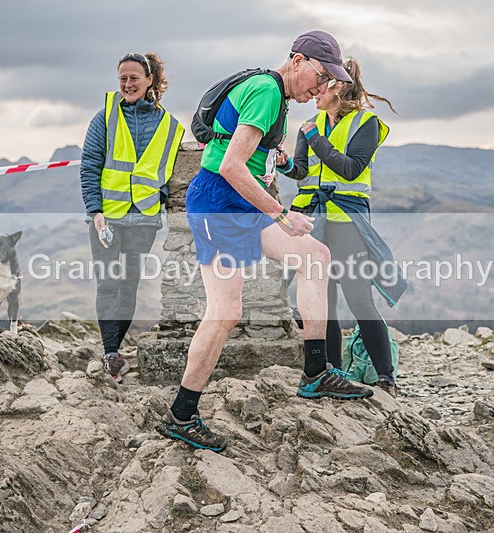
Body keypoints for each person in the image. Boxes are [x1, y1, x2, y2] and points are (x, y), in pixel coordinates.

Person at [157, 31, 374, 453]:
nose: (323, 85)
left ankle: (315, 372)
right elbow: (233, 165)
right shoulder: (266, 90)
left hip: (241, 201)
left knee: (315, 255)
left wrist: (277, 163)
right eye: (320, 74)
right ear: (297, 60)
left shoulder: (275, 94)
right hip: (220, 200)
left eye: (330, 79)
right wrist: (281, 214)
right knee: (225, 312)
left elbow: (247, 156)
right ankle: (182, 414)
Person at [276, 57, 400, 395]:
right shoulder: (310, 124)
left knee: (359, 298)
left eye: (323, 83)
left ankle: (386, 377)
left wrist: (316, 138)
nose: (315, 91)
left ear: (339, 85)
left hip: (347, 222)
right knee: (321, 300)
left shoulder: (366, 123)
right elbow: (302, 171)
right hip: (313, 221)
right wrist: (287, 164)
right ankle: (331, 372)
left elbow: (350, 169)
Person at [80, 52, 184, 382]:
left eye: (134, 78)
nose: (127, 84)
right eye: (122, 78)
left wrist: (160, 201)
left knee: (129, 286)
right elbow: (89, 167)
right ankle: (111, 352)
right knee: (108, 282)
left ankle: (114, 348)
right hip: (107, 219)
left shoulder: (170, 126)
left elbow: (169, 173)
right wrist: (94, 211)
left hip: (143, 220)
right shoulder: (105, 118)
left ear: (150, 80)